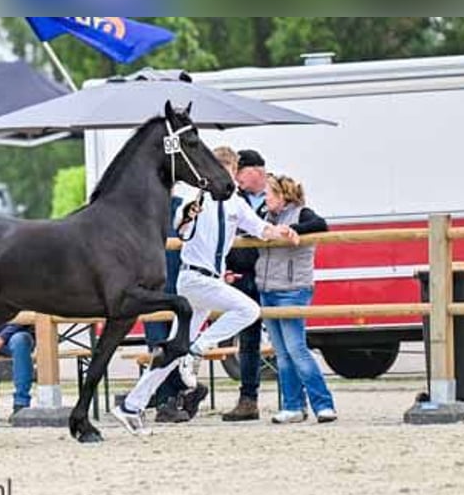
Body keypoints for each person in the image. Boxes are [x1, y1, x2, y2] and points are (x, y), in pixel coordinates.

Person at [111, 149, 298, 435]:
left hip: (207, 282)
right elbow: (180, 226)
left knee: (173, 348)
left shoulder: (236, 204)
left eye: (224, 169)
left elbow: (262, 229)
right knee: (248, 310)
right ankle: (196, 350)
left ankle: (132, 405)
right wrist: (188, 215)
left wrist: (285, 231)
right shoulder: (195, 196)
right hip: (194, 279)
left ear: (233, 172)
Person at [256, 175, 337, 424]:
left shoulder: (302, 213)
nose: (264, 198)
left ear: (282, 196)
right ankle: (292, 406)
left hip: (292, 289)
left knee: (296, 349)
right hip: (267, 290)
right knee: (282, 353)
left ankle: (323, 404)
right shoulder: (264, 219)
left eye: (268, 193)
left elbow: (320, 225)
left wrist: (293, 231)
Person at [143, 190, 208, 424]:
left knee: (177, 347)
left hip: (179, 289)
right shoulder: (141, 210)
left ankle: (180, 393)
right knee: (159, 347)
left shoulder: (183, 207)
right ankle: (170, 400)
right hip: (152, 291)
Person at [221, 149, 269, 422]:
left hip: (269, 275)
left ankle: (295, 398)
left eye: (239, 172)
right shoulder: (233, 198)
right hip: (241, 275)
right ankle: (248, 398)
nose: (236, 179)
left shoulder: (278, 195)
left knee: (286, 340)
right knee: (248, 341)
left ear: (254, 171)